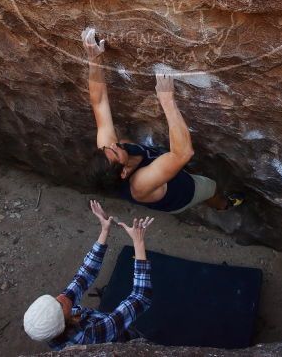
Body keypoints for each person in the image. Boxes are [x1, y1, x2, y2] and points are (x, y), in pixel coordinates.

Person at [83, 27, 244, 213]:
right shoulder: (140, 184)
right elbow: (183, 154)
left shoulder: (109, 153)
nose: (113, 145)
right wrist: (167, 101)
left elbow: (99, 102)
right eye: (116, 152)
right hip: (184, 194)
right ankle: (223, 205)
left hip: (162, 167)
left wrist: (94, 59)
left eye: (107, 148)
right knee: (210, 187)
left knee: (163, 160)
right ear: (124, 172)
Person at [23, 200, 154, 349]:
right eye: (59, 304)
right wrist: (138, 243)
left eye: (53, 299)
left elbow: (84, 276)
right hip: (125, 342)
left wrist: (104, 230)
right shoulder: (91, 337)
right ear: (64, 322)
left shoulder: (55, 325)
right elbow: (141, 297)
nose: (60, 297)